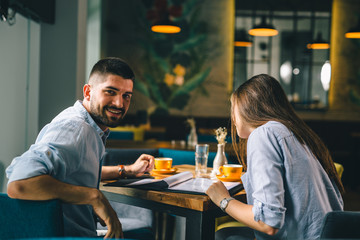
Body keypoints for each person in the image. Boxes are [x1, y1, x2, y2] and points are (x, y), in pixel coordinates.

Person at [6, 57, 154, 239]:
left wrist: (126, 170)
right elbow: (19, 183)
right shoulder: (76, 129)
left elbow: (78, 169)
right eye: (110, 92)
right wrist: (94, 197)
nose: (119, 104)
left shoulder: (90, 127)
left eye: (126, 96)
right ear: (88, 92)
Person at [206, 74, 344, 240]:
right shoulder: (296, 133)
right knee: (225, 234)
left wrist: (223, 200)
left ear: (247, 108)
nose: (232, 119)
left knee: (223, 236)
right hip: (329, 235)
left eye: (233, 108)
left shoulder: (263, 134)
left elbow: (267, 223)